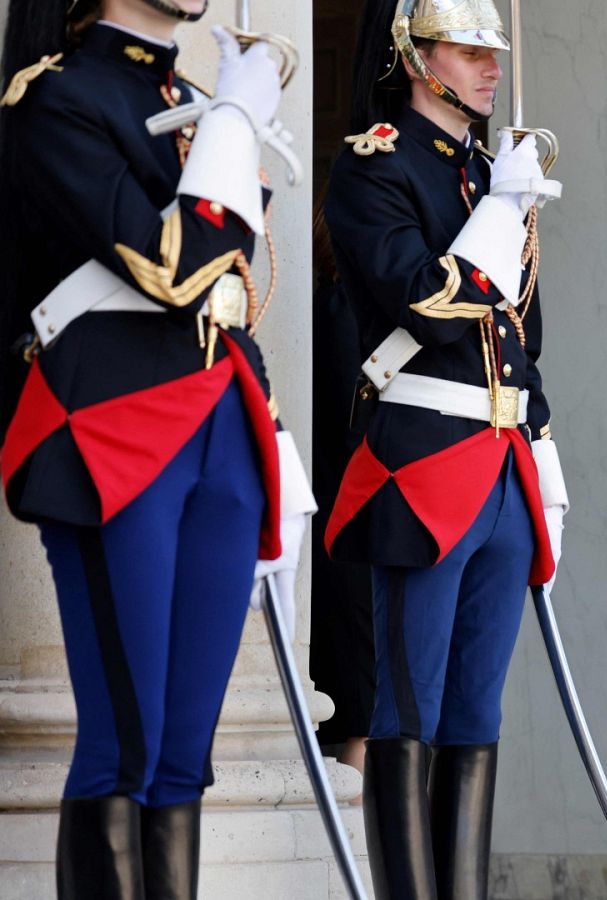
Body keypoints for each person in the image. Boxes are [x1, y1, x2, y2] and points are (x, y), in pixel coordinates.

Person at [0, 1, 313, 896]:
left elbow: (230, 282)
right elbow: (172, 267)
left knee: (183, 754)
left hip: (220, 423)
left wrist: (272, 432)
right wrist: (231, 125)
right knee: (122, 744)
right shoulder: (58, 99)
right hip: (112, 425)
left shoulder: (200, 99)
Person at [320, 1, 568, 896]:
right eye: (467, 50)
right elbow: (421, 298)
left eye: (491, 51)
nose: (489, 67)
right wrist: (502, 211)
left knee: (475, 713)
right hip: (422, 457)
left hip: (503, 463)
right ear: (415, 58)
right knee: (409, 705)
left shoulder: (487, 174)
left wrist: (541, 451)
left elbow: (522, 337)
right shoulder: (375, 169)